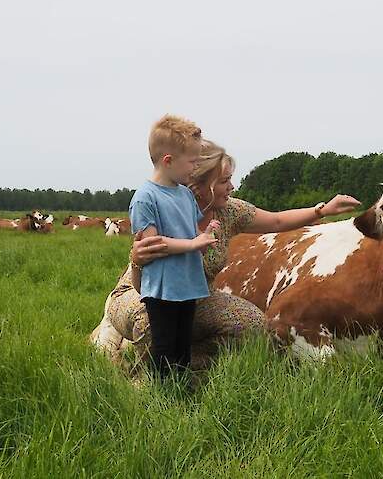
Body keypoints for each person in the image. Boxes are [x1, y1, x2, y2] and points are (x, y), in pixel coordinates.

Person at [90, 138, 361, 373]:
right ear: (199, 184)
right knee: (154, 325)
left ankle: (192, 366)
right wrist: (137, 260)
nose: (232, 186)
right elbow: (141, 286)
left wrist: (322, 210)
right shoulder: (164, 207)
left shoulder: (228, 211)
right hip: (146, 297)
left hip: (196, 300)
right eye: (224, 180)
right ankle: (143, 374)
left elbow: (277, 221)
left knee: (252, 324)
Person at [129, 114, 219, 378]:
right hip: (163, 290)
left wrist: (205, 236)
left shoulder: (185, 194)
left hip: (187, 285)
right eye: (191, 162)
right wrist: (193, 243)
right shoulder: (145, 197)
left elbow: (193, 234)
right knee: (165, 348)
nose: (194, 169)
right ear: (168, 161)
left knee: (183, 347)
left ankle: (180, 392)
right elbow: (153, 244)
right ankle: (162, 400)